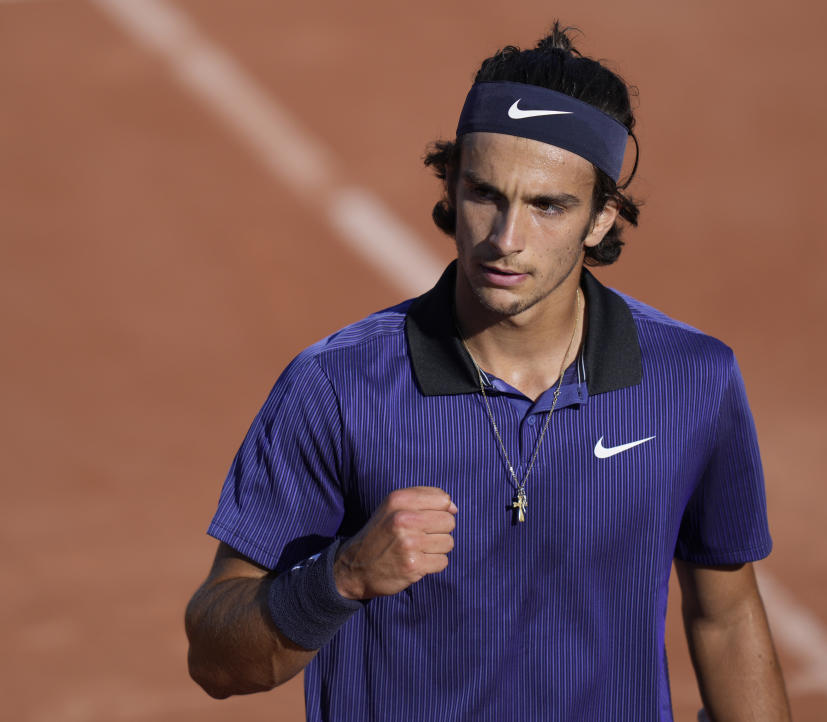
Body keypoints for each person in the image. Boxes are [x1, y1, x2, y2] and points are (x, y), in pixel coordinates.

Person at [185, 23, 791, 722]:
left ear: (601, 218)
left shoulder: (692, 380)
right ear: (451, 183)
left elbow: (726, 615)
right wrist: (341, 576)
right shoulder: (336, 389)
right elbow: (216, 660)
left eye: (548, 206)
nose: (505, 239)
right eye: (484, 194)